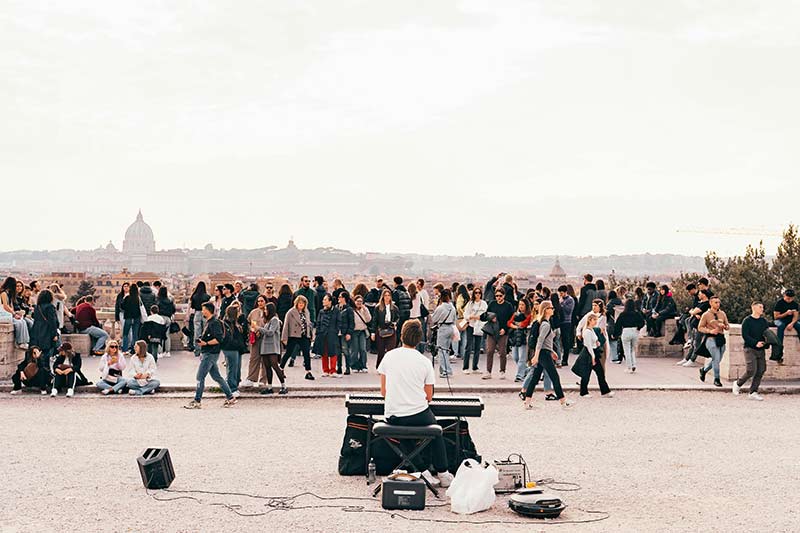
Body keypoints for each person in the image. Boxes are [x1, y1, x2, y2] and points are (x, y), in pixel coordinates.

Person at [377, 320, 453, 488]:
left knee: (403, 434)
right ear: (419, 339)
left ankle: (422, 470)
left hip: (393, 413)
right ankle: (443, 472)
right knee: (436, 432)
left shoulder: (389, 356)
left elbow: (383, 392)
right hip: (418, 412)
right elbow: (429, 396)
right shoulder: (424, 361)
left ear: (402, 336)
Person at [184, 302, 237, 409]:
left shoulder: (214, 323)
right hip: (209, 353)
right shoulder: (210, 322)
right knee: (217, 377)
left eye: (203, 309)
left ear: (208, 310)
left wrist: (206, 344)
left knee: (200, 377)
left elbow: (219, 339)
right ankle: (230, 397)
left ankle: (197, 400)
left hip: (210, 353)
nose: (202, 311)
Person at [522, 301, 573, 409]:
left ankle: (527, 401)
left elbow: (545, 342)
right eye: (551, 308)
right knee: (554, 377)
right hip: (543, 354)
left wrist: (551, 351)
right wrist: (536, 356)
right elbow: (540, 341)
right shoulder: (545, 324)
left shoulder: (544, 323)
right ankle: (563, 401)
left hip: (544, 353)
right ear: (546, 310)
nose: (553, 309)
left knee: (535, 378)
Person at [734, 302, 769, 401]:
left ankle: (753, 392)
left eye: (763, 307)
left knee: (761, 370)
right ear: (753, 307)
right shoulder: (747, 321)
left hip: (761, 349)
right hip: (749, 348)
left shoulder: (763, 321)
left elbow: (767, 334)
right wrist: (755, 343)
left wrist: (765, 343)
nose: (762, 309)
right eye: (760, 307)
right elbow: (745, 336)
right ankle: (738, 383)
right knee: (751, 370)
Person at [578, 314, 614, 398]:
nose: (596, 322)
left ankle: (605, 391)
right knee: (586, 374)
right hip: (589, 353)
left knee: (599, 373)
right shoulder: (587, 331)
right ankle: (584, 392)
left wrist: (597, 343)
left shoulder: (591, 330)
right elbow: (588, 345)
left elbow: (594, 341)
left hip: (593, 352)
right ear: (590, 320)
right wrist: (593, 357)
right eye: (594, 320)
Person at [280, 295, 315, 381]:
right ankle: (281, 369)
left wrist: (310, 334)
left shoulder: (306, 312)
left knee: (306, 353)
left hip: (304, 335)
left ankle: (308, 371)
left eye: (303, 303)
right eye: (300, 303)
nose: (301, 304)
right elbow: (286, 325)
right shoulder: (291, 312)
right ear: (296, 303)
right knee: (288, 352)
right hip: (293, 335)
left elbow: (308, 324)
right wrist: (284, 338)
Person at [482, 288, 514, 380]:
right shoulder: (492, 304)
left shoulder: (508, 305)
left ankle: (502, 371)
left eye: (500, 296)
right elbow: (486, 315)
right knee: (490, 351)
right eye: (497, 296)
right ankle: (488, 371)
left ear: (504, 296)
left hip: (503, 331)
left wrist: (505, 329)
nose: (498, 298)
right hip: (492, 331)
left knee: (502, 352)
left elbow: (511, 319)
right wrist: (490, 318)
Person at [256, 302, 287, 395]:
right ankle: (269, 387)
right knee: (267, 367)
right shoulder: (267, 321)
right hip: (265, 347)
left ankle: (284, 386)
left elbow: (270, 333)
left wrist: (259, 328)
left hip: (272, 347)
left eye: (266, 309)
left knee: (275, 366)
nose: (265, 311)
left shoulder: (274, 320)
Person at [698, 296, 729, 387]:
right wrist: (710, 331)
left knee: (717, 360)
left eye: (719, 302)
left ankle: (704, 370)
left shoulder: (722, 313)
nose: (718, 304)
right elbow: (700, 327)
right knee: (716, 358)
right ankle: (717, 379)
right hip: (710, 338)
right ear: (711, 303)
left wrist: (724, 326)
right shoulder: (706, 314)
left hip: (721, 338)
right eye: (716, 302)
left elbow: (728, 326)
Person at [221, 304, 248, 397]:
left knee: (236, 369)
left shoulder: (235, 322)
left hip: (237, 348)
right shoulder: (228, 323)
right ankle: (232, 388)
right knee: (232, 369)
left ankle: (233, 386)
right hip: (231, 348)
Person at [243, 295, 269, 387]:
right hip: (255, 337)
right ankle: (251, 378)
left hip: (266, 338)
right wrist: (253, 330)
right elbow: (250, 323)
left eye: (262, 301)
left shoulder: (269, 312)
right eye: (258, 301)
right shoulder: (253, 312)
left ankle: (263, 380)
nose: (260, 303)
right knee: (254, 358)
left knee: (265, 359)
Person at [430, 288, 457, 378]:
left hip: (443, 328)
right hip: (450, 328)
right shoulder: (452, 308)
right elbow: (454, 320)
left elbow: (434, 319)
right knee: (446, 351)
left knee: (441, 351)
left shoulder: (440, 308)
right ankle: (447, 369)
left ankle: (445, 371)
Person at [314, 294, 341, 378]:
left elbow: (339, 322)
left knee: (333, 352)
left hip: (332, 334)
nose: (323, 301)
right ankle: (325, 370)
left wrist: (336, 331)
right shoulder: (321, 311)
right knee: (324, 352)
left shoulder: (336, 311)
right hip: (322, 334)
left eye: (325, 299)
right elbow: (318, 323)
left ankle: (333, 370)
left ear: (330, 301)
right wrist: (318, 332)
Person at [614, 299, 645, 373]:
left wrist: (615, 334)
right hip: (635, 331)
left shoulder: (622, 314)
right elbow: (642, 322)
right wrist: (638, 327)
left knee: (626, 350)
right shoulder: (637, 313)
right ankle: (634, 364)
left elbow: (618, 325)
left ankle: (629, 367)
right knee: (632, 350)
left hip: (626, 331)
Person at [371, 288, 399, 368]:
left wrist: (395, 323)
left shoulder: (394, 308)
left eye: (388, 295)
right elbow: (375, 320)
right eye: (385, 295)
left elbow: (398, 317)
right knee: (381, 351)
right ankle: (380, 366)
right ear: (382, 297)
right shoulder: (378, 307)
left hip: (391, 330)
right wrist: (373, 333)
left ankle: (390, 366)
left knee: (391, 350)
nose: (387, 297)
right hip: (381, 330)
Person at [462, 287, 487, 374]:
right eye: (476, 293)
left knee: (477, 347)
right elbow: (466, 314)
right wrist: (471, 317)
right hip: (471, 325)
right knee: (468, 347)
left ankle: (475, 367)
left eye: (479, 293)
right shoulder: (470, 303)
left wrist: (476, 317)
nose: (477, 294)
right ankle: (465, 367)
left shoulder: (483, 303)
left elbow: (485, 315)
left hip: (479, 326)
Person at [30, 289, 59, 362]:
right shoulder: (50, 307)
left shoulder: (37, 307)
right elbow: (52, 321)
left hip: (36, 331)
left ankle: (40, 371)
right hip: (46, 331)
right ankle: (46, 371)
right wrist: (54, 334)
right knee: (46, 353)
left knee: (38, 352)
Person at [2, 277, 31, 349]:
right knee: (18, 322)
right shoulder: (3, 293)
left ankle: (24, 341)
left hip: (8, 314)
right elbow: (5, 306)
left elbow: (10, 306)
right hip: (3, 314)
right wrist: (14, 314)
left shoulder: (9, 294)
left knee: (22, 321)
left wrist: (16, 313)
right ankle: (19, 342)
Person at [508, 299, 533, 382]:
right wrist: (516, 326)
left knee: (522, 357)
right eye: (520, 305)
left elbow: (524, 324)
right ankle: (527, 370)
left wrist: (516, 324)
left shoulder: (529, 315)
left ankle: (519, 376)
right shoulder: (516, 314)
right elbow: (509, 323)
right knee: (515, 357)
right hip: (515, 337)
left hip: (523, 337)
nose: (521, 306)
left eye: (522, 305)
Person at [350, 296, 372, 373]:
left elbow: (368, 319)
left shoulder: (364, 310)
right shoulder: (352, 310)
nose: (359, 303)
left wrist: (365, 309)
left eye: (360, 301)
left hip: (362, 331)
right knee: (354, 349)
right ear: (354, 302)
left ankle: (363, 365)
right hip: (354, 331)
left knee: (363, 349)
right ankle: (354, 365)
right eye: (357, 301)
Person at [190, 282, 211, 357]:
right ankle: (205, 349)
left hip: (197, 313)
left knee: (197, 332)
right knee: (205, 331)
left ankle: (197, 350)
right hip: (206, 313)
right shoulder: (207, 296)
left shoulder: (194, 296)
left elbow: (192, 306)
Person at [337, 291, 355, 375]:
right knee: (338, 351)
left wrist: (349, 333)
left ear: (344, 298)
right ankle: (339, 367)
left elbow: (351, 322)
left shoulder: (349, 309)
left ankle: (348, 368)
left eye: (340, 297)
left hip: (344, 332)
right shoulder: (336, 308)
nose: (338, 298)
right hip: (337, 333)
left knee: (345, 350)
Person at [121, 284, 143, 354]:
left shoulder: (127, 297)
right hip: (137, 318)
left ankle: (125, 349)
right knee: (135, 334)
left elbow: (122, 306)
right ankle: (135, 350)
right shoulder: (138, 298)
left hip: (128, 317)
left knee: (125, 334)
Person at [557, 285, 575, 366]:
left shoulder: (570, 300)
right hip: (560, 321)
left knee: (565, 340)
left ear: (565, 292)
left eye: (562, 293)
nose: (561, 295)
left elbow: (568, 310)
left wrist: (561, 304)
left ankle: (565, 359)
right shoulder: (560, 299)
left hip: (567, 322)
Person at [156, 286, 176, 358]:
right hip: (168, 318)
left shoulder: (158, 300)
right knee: (167, 335)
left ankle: (160, 352)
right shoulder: (170, 300)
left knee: (160, 335)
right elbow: (173, 309)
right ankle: (167, 352)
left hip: (160, 318)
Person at [392, 276, 412, 344]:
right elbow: (411, 305)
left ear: (395, 283)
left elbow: (394, 305)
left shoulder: (396, 292)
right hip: (407, 314)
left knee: (398, 331)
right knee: (404, 331)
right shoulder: (406, 292)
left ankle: (396, 345)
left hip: (400, 315)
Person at [454, 284, 470, 359]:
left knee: (456, 336)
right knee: (464, 337)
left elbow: (459, 307)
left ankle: (455, 353)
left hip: (461, 318)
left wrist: (461, 313)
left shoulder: (460, 297)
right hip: (467, 319)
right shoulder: (468, 297)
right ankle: (463, 354)